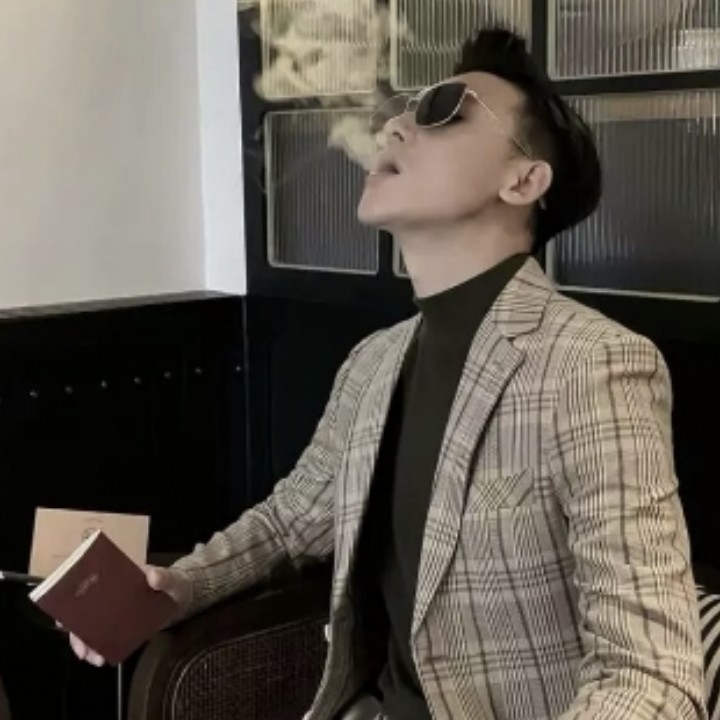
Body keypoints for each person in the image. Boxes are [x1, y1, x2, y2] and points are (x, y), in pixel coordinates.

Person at [70, 26, 707, 720]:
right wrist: (177, 587)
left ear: (523, 180)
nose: (395, 125)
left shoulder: (594, 363)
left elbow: (651, 677)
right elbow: (288, 523)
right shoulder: (372, 363)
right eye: (405, 110)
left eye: (443, 111)